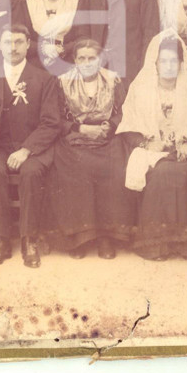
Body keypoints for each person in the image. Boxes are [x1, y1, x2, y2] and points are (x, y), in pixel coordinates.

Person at [117, 31, 187, 261]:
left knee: (182, 172)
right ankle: (156, 244)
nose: (168, 66)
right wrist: (148, 143)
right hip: (151, 150)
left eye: (173, 61)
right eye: (163, 61)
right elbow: (128, 127)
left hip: (182, 151)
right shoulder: (141, 89)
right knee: (159, 172)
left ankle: (186, 243)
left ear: (181, 63)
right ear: (154, 63)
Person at [0, 26, 64, 268]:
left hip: (33, 147)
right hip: (0, 144)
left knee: (30, 172)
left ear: (28, 44)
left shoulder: (44, 79)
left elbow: (51, 123)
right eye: (8, 42)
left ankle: (29, 239)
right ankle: (1, 240)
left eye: (19, 42)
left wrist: (27, 149)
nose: (13, 48)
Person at [49, 39, 133, 258]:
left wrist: (110, 125)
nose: (86, 63)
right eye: (81, 58)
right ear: (74, 60)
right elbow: (54, 117)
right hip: (75, 137)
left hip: (107, 137)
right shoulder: (62, 82)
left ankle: (106, 237)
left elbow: (124, 111)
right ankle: (79, 237)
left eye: (91, 58)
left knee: (114, 169)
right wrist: (80, 128)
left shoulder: (113, 80)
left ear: (100, 59)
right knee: (76, 170)